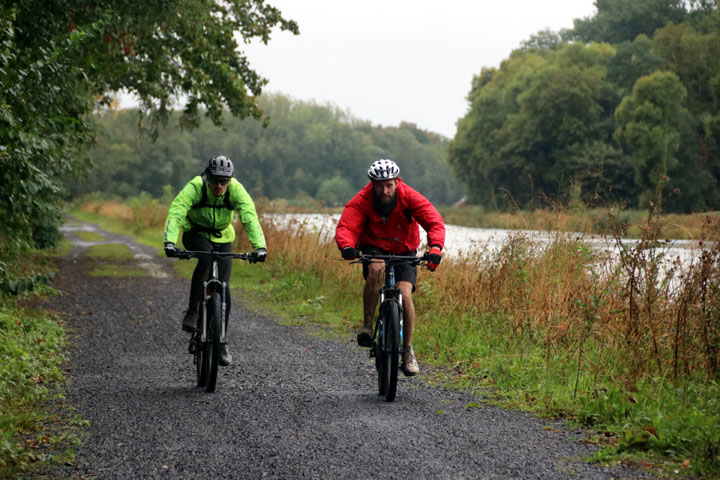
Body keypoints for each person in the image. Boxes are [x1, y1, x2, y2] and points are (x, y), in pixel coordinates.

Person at [335, 159, 445, 376]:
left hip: (404, 250)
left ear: (397, 182)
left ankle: (407, 350)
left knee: (404, 295)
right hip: (374, 247)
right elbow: (347, 225)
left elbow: (434, 222)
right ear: (372, 184)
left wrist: (435, 248)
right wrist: (346, 245)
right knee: (375, 270)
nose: (384, 191)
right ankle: (367, 326)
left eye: (389, 185)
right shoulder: (363, 199)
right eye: (379, 185)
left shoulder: (410, 197)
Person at [163, 155, 267, 366]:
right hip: (195, 234)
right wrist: (170, 242)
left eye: (223, 181)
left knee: (224, 289)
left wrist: (260, 247)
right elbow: (177, 211)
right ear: (207, 177)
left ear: (229, 181)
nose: (219, 185)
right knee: (207, 259)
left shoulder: (235, 189)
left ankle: (221, 343)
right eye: (214, 180)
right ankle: (193, 311)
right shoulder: (195, 186)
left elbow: (249, 216)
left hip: (222, 237)